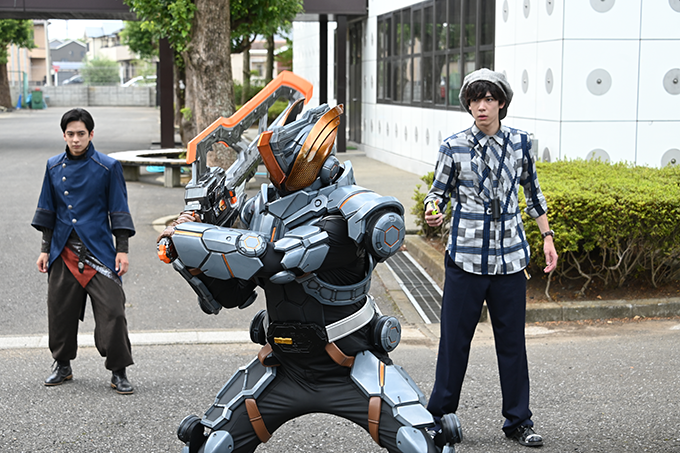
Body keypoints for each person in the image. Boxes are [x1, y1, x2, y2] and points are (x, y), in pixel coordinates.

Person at [159, 102, 461, 453]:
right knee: (211, 444)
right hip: (283, 366)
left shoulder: (349, 211)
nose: (275, 169)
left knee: (421, 445)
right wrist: (191, 259)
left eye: (280, 159)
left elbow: (275, 261)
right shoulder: (261, 211)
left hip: (350, 366)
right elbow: (232, 295)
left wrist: (191, 236)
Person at [423, 68, 558, 447]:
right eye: (474, 100)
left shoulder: (521, 143)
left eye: (488, 99)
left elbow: (533, 194)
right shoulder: (453, 146)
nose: (481, 106)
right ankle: (437, 419)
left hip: (510, 258)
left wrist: (547, 237)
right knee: (454, 342)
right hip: (465, 259)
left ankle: (519, 421)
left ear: (501, 103)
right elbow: (437, 193)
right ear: (468, 105)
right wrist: (433, 210)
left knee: (512, 344)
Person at [32, 108, 136, 394]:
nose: (76, 139)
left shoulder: (108, 166)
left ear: (91, 134)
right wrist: (44, 249)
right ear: (64, 136)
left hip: (99, 250)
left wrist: (122, 249)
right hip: (63, 249)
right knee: (60, 311)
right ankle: (62, 364)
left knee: (113, 311)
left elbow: (119, 209)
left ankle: (118, 370)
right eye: (70, 134)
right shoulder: (53, 166)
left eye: (81, 134)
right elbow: (48, 210)